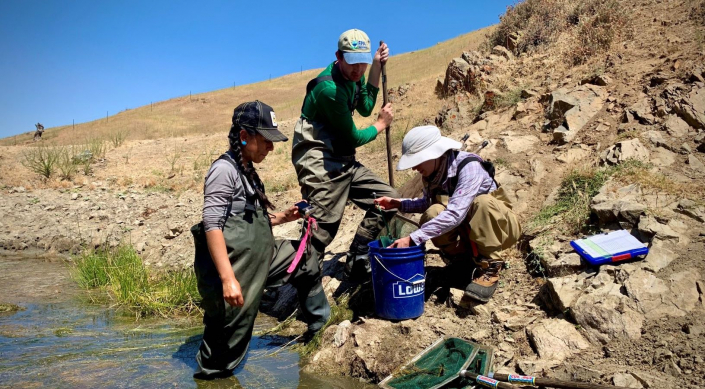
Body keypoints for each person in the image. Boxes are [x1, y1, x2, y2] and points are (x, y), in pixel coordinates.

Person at [191, 101, 330, 379]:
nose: (271, 147)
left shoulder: (248, 171)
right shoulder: (224, 170)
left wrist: (283, 217)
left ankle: (320, 325)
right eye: (266, 140)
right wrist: (229, 279)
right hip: (235, 267)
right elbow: (213, 225)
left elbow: (252, 221)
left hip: (262, 256)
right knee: (226, 345)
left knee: (304, 258)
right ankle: (212, 377)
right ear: (244, 136)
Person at [291, 28, 397, 282]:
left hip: (343, 158)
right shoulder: (329, 89)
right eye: (352, 63)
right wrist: (381, 124)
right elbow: (354, 137)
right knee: (322, 228)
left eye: (362, 62)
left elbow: (366, 106)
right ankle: (304, 288)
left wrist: (374, 67)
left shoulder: (356, 73)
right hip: (319, 157)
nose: (356, 70)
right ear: (338, 56)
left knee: (390, 200)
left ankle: (359, 253)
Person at [374, 125, 521, 303]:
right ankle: (460, 262)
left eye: (417, 162)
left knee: (482, 203)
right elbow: (428, 203)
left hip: (501, 230)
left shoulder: (469, 168)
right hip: (469, 232)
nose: (414, 169)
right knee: (433, 212)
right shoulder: (432, 175)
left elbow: (455, 214)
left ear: (434, 154)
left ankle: (490, 266)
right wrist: (398, 204)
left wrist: (413, 239)